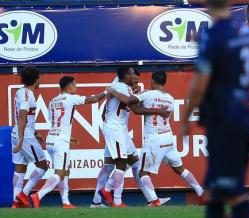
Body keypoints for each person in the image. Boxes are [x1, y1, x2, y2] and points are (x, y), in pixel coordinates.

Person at [174, 0, 249, 218]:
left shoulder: (213, 34)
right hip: (243, 117)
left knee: (232, 193)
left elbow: (201, 80)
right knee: (214, 191)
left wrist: (184, 120)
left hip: (225, 120)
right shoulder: (246, 33)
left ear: (207, 3)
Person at [91, 68, 171, 208]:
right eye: (133, 77)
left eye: (136, 80)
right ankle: (115, 200)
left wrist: (108, 114)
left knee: (131, 162)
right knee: (120, 164)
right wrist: (158, 111)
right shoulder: (122, 88)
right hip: (116, 130)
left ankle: (98, 200)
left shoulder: (117, 83)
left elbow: (109, 106)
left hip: (119, 130)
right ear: (126, 76)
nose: (135, 82)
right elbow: (136, 109)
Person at [29, 77, 107, 208]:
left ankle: (66, 202)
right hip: (60, 141)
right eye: (75, 84)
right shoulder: (71, 98)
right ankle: (38, 195)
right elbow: (92, 100)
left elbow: (55, 122)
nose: (76, 86)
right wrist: (105, 92)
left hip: (51, 139)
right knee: (60, 172)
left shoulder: (53, 101)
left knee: (64, 171)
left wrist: (68, 138)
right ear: (70, 85)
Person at [137, 71, 204, 207]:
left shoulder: (147, 94)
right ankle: (202, 194)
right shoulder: (170, 99)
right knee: (180, 169)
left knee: (143, 172)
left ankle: (155, 201)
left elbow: (133, 103)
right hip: (168, 138)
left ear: (153, 82)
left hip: (153, 139)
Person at [12, 67, 49, 208]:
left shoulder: (20, 92)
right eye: (39, 78)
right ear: (36, 80)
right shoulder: (28, 94)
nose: (40, 80)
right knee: (43, 165)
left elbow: (24, 117)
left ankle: (16, 202)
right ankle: (24, 194)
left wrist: (34, 133)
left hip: (20, 132)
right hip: (24, 135)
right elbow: (22, 115)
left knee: (20, 168)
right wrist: (22, 138)